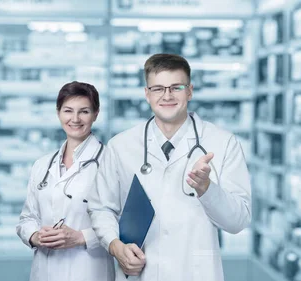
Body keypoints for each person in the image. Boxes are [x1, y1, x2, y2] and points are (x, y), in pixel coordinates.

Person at [87, 53, 252, 281]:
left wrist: (207, 189)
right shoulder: (121, 146)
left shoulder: (222, 143)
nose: (167, 96)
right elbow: (101, 208)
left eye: (176, 87)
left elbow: (238, 221)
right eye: (158, 89)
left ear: (190, 91)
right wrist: (114, 246)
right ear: (147, 94)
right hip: (139, 273)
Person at [16, 81, 115, 281]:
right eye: (68, 111)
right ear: (58, 113)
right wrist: (35, 236)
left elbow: (124, 223)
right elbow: (27, 219)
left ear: (96, 114)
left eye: (84, 111)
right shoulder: (42, 165)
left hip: (88, 271)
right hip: (44, 271)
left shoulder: (111, 162)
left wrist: (81, 237)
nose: (75, 119)